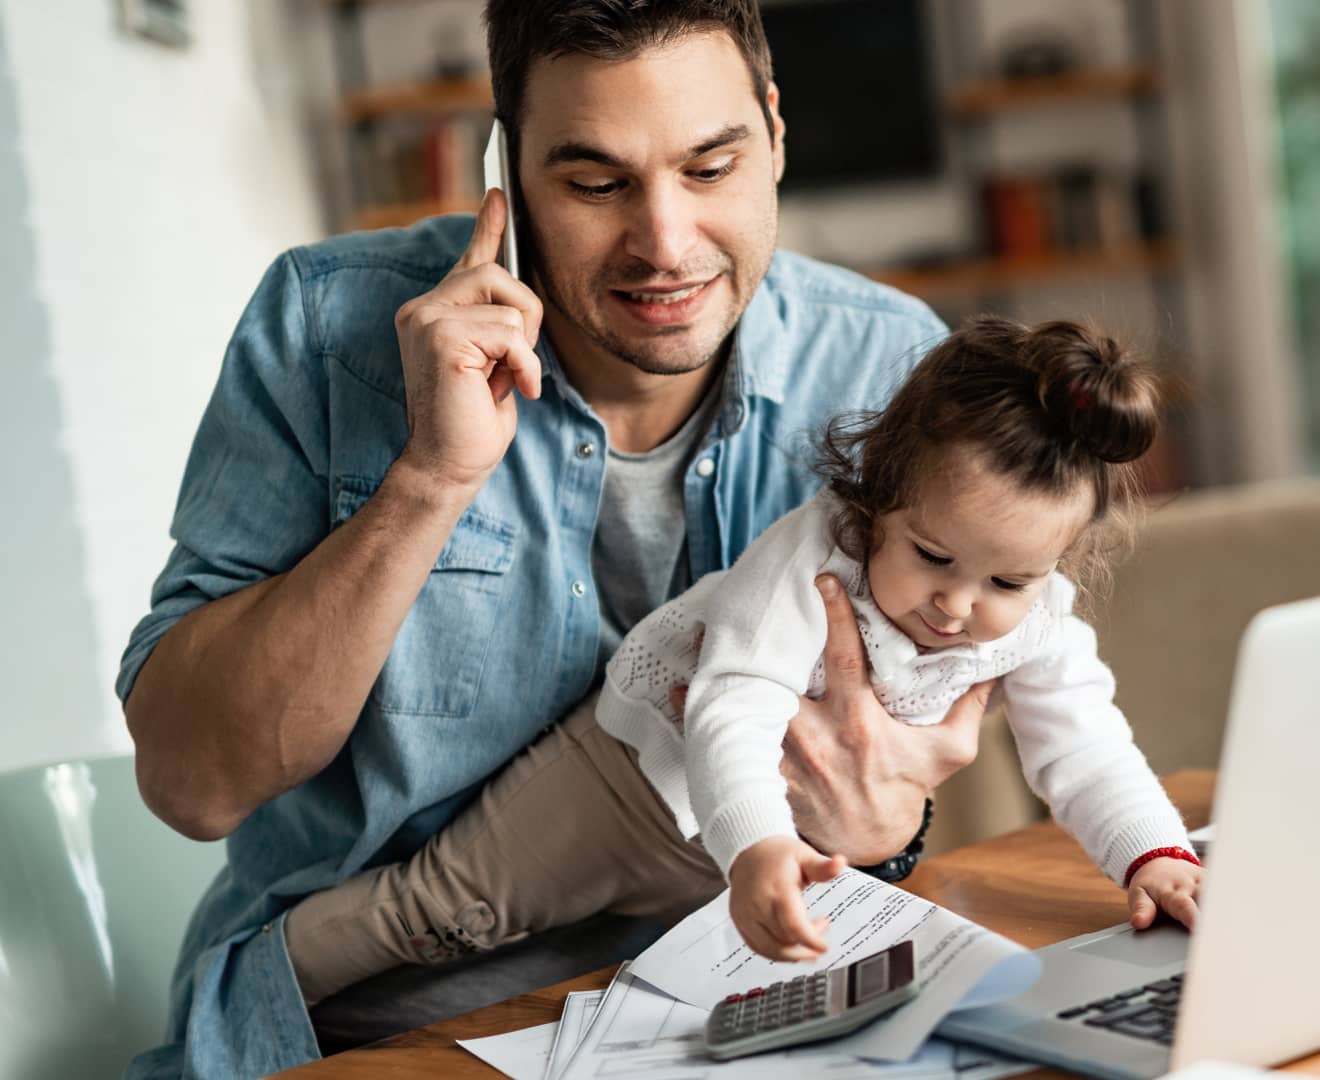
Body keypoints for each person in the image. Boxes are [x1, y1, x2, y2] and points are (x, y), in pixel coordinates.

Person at [115, 3, 989, 1075]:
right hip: (380, 1023)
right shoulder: (324, 330)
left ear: (774, 132)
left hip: (750, 1001)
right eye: (595, 184)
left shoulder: (888, 364)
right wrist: (431, 478)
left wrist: (886, 828)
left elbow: (906, 759)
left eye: (710, 168)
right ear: (507, 169)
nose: (665, 244)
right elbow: (194, 785)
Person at [281, 317, 1203, 1001]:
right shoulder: (814, 556)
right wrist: (760, 846)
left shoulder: (1038, 622)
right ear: (880, 495)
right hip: (630, 781)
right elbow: (734, 706)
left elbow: (1086, 748)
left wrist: (1153, 858)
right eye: (932, 557)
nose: (959, 608)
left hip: (748, 852)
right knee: (442, 913)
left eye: (1009, 580)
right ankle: (272, 975)